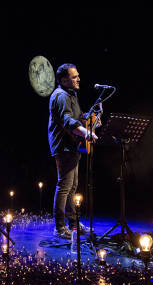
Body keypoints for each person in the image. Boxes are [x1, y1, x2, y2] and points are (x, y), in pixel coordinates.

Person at [48, 63, 98, 239]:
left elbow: (77, 118)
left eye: (77, 76)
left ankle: (74, 224)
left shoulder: (71, 95)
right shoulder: (61, 96)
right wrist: (86, 132)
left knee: (72, 186)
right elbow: (68, 121)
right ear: (63, 80)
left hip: (73, 145)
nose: (78, 79)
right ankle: (60, 227)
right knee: (64, 186)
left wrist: (91, 121)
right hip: (64, 146)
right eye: (74, 76)